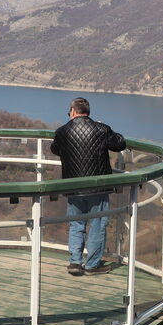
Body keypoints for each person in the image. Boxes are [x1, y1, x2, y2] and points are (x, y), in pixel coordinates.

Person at [50, 97, 126, 276]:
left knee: (76, 223)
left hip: (73, 186)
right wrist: (104, 128)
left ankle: (75, 262)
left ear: (73, 111)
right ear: (87, 112)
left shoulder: (62, 131)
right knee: (98, 224)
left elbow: (55, 149)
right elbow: (120, 143)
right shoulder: (101, 129)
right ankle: (92, 265)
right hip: (98, 187)